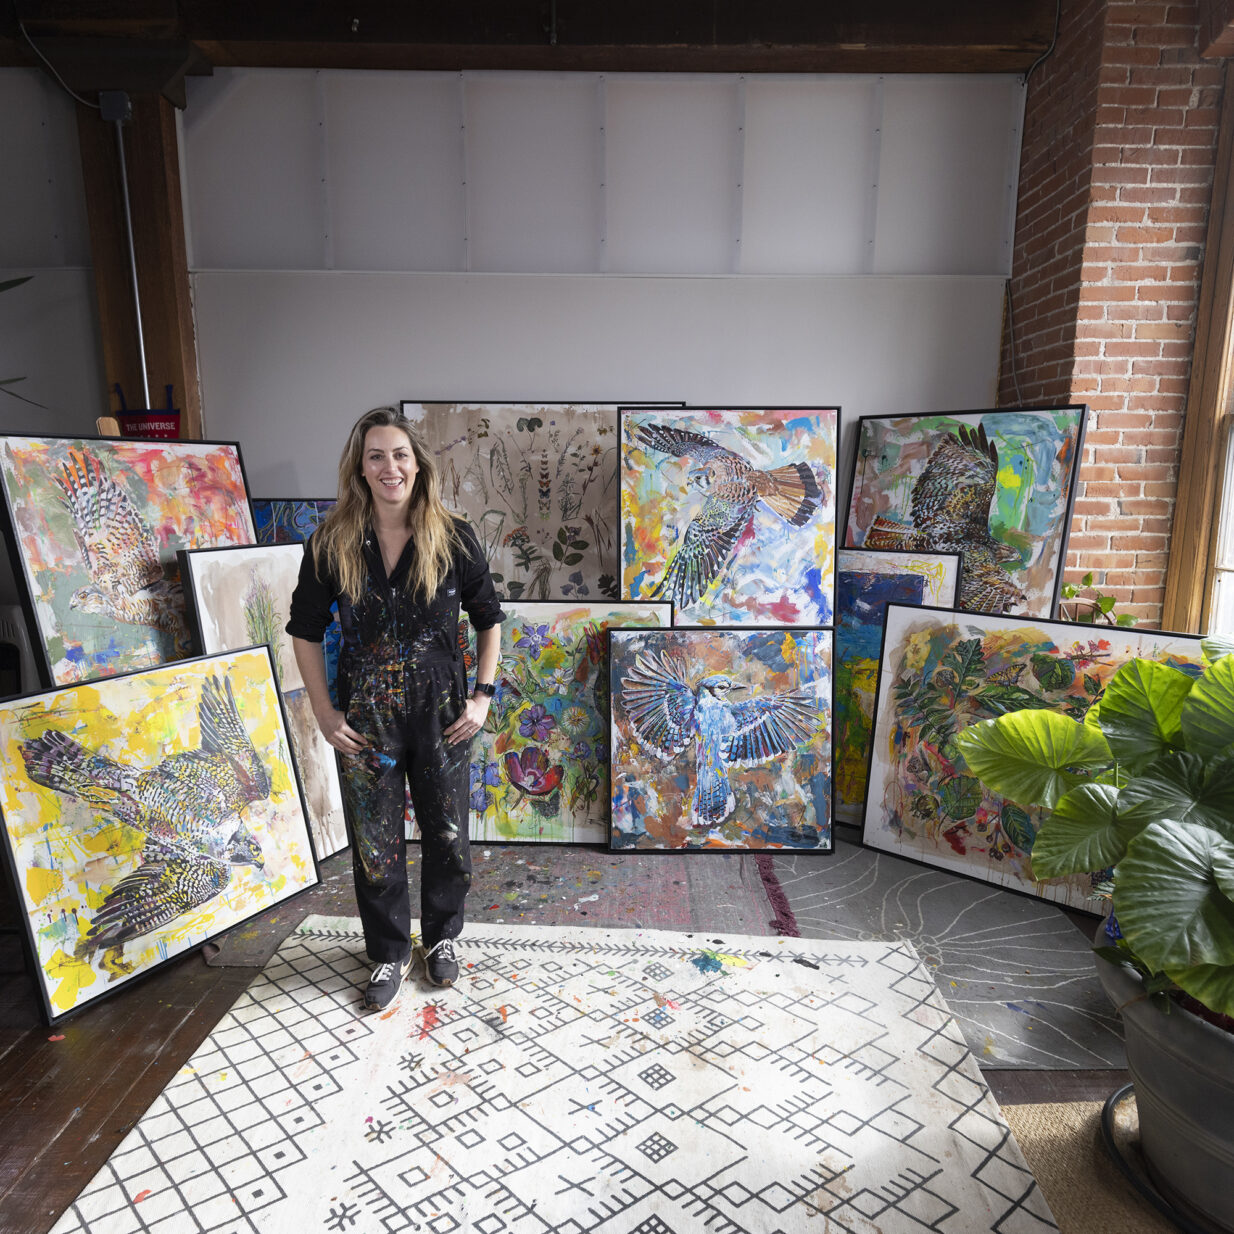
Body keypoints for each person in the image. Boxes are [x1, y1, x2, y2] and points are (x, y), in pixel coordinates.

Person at [287, 406, 503, 1011]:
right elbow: (304, 631)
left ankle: (441, 938)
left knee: (448, 835)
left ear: (417, 464)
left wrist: (483, 697)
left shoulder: (453, 536)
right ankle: (387, 951)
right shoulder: (330, 543)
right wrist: (324, 713)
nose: (390, 467)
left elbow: (489, 621)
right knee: (375, 843)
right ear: (360, 468)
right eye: (376, 456)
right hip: (366, 720)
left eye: (400, 455)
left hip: (443, 714)